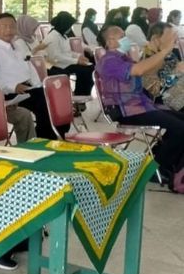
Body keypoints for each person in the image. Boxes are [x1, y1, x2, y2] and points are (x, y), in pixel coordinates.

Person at [97, 25, 184, 192]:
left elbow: (146, 70)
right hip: (127, 111)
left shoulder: (123, 58)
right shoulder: (109, 61)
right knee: (180, 128)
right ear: (110, 42)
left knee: (180, 122)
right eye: (122, 36)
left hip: (140, 106)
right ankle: (158, 168)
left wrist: (161, 53)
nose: (126, 39)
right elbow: (138, 70)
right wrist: (164, 51)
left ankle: (166, 161)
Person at [0, 13, 65, 140]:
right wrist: (13, 87)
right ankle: (45, 140)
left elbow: (30, 68)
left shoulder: (18, 47)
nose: (9, 30)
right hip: (10, 93)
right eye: (4, 26)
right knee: (43, 102)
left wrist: (38, 85)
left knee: (55, 97)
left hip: (28, 88)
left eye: (12, 26)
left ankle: (56, 136)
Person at [44, 11, 94, 97]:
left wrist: (79, 56)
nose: (70, 28)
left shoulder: (63, 36)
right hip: (58, 64)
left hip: (66, 62)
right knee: (85, 70)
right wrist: (76, 61)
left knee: (90, 67)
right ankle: (81, 95)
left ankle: (83, 94)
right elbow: (56, 57)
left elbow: (67, 52)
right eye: (69, 26)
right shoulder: (52, 37)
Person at [143, 23, 184, 112]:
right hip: (170, 101)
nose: (175, 39)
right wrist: (177, 73)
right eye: (171, 36)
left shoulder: (168, 53)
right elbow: (155, 91)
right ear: (155, 38)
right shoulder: (146, 60)